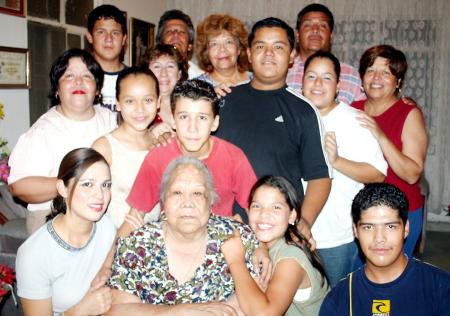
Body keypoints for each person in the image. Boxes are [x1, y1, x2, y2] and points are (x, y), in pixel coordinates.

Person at [216, 17, 332, 246]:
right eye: (260, 46)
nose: (268, 53)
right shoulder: (223, 101)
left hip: (278, 232)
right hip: (224, 227)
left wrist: (304, 223)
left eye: (278, 47)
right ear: (249, 53)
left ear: (291, 56)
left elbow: (319, 177)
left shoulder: (304, 110)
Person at [106, 156, 259, 315]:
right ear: (164, 199)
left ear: (210, 201)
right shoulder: (136, 246)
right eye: (177, 192)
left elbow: (255, 303)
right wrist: (182, 312)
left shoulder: (238, 237)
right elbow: (115, 310)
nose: (187, 202)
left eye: (197, 193)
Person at [302, 51, 387, 286]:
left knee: (337, 300)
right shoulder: (293, 115)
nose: (318, 84)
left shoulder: (354, 120)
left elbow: (377, 174)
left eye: (327, 78)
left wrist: (337, 160)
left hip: (335, 237)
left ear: (338, 85)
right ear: (302, 81)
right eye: (311, 76)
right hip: (294, 233)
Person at [8, 48, 117, 234]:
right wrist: (73, 183)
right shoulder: (43, 130)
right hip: (53, 220)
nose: (78, 81)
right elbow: (19, 186)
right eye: (69, 76)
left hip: (104, 217)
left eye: (87, 75)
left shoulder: (111, 121)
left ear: (97, 89)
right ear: (57, 89)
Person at [126, 79, 257, 222]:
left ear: (214, 123)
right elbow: (134, 217)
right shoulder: (158, 156)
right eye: (183, 117)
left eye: (202, 117)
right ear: (173, 120)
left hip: (221, 238)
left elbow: (256, 209)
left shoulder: (233, 157)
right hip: (172, 239)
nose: (192, 128)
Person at [319, 183, 450, 316]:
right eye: (368, 227)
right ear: (355, 230)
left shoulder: (441, 288)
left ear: (406, 228)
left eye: (390, 227)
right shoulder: (339, 299)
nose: (379, 238)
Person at [16, 148, 117, 316]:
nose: (100, 195)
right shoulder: (34, 255)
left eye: (105, 185)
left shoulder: (106, 227)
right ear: (63, 189)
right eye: (87, 184)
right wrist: (78, 312)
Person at [352, 45, 428, 256]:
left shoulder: (409, 114)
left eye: (386, 72)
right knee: (359, 278)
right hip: (361, 211)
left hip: (399, 212)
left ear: (398, 81)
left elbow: (412, 174)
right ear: (362, 77)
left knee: (392, 281)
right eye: (370, 70)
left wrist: (380, 134)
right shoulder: (352, 109)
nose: (376, 77)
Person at [222, 175, 329, 316]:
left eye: (276, 207)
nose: (264, 214)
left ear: (292, 216)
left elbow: (265, 314)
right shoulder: (266, 243)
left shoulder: (292, 257)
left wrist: (236, 261)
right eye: (256, 206)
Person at [92, 67, 159, 228]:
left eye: (148, 100)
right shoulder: (104, 147)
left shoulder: (160, 143)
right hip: (115, 238)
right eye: (130, 101)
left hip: (156, 237)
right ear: (118, 104)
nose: (140, 109)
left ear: (159, 102)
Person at [286, 3, 365, 105]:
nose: (315, 30)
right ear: (297, 35)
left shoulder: (351, 75)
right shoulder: (284, 72)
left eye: (322, 25)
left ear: (331, 36)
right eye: (307, 25)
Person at [86, 4, 128, 111]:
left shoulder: (135, 79)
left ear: (124, 39)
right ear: (90, 37)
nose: (108, 39)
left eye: (115, 33)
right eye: (101, 32)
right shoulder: (79, 79)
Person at [195, 14, 252, 88]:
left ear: (239, 49)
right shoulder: (196, 88)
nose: (222, 49)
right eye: (214, 44)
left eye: (228, 42)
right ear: (206, 52)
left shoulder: (258, 81)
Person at [144, 44, 188, 125]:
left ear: (179, 74)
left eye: (170, 66)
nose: (163, 74)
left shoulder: (190, 105)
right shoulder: (140, 107)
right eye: (157, 66)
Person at [156, 9, 203, 78]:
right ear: (160, 43)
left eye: (182, 32)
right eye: (169, 31)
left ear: (189, 45)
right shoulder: (149, 76)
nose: (175, 34)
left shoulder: (201, 78)